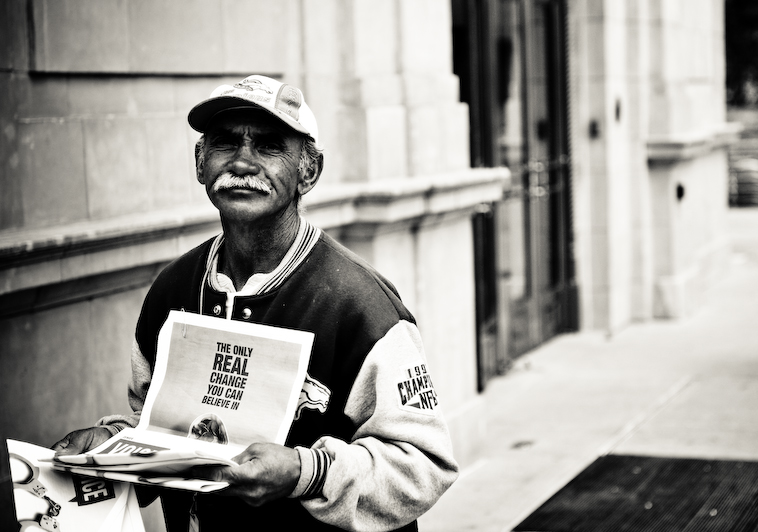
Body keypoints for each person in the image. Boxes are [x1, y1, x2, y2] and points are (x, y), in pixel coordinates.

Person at [52, 75, 459, 531]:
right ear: (200, 163)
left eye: (269, 146)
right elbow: (154, 425)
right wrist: (112, 442)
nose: (243, 162)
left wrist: (305, 473)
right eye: (226, 143)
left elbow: (424, 467)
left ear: (309, 171)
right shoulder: (172, 291)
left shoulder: (362, 306)